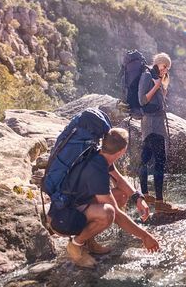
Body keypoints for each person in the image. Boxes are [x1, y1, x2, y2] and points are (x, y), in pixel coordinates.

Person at [64, 128, 159, 268]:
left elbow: (119, 180)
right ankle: (75, 246)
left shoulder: (99, 154)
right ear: (123, 150)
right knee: (108, 213)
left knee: (121, 194)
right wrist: (145, 236)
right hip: (65, 216)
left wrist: (137, 197)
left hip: (73, 205)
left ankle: (89, 241)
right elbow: (116, 215)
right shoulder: (98, 170)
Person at [137, 52, 178, 214]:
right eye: (164, 66)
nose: (165, 69)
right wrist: (156, 86)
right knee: (160, 161)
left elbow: (158, 101)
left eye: (167, 68)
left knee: (145, 160)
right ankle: (160, 202)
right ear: (157, 63)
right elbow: (142, 100)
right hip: (153, 125)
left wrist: (161, 88)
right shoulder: (147, 76)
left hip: (154, 125)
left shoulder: (156, 78)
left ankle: (145, 195)